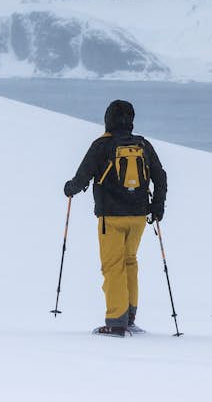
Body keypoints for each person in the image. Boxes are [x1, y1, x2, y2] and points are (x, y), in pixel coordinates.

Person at [64, 100, 167, 337]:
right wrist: (157, 206)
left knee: (113, 266)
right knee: (130, 261)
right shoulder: (143, 145)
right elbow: (160, 176)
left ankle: (116, 322)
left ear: (108, 119)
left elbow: (82, 176)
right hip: (139, 216)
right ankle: (129, 317)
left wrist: (70, 188)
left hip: (110, 217)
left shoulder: (102, 145)